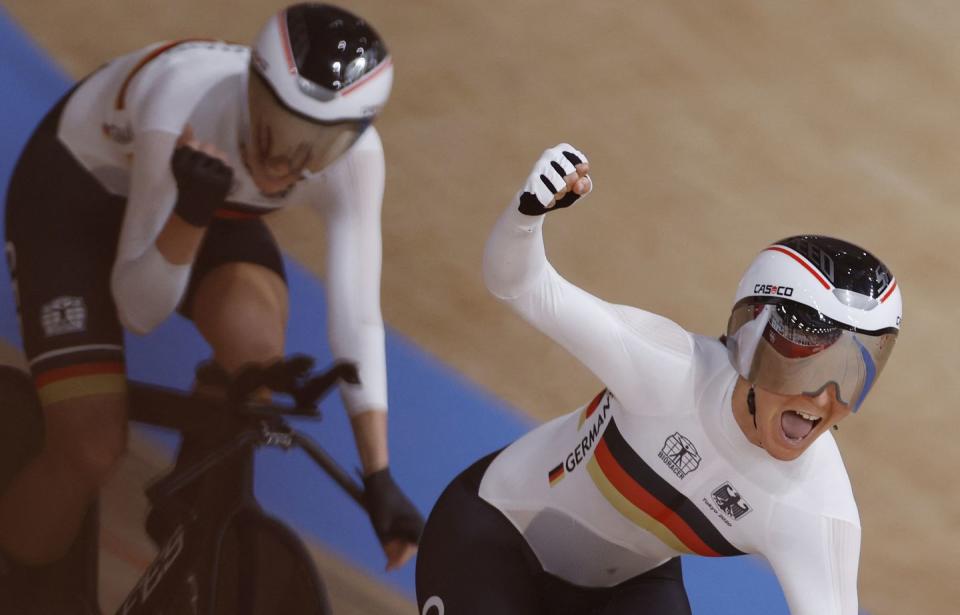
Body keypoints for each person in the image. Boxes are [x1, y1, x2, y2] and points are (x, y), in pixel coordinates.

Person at [0, 2, 422, 607]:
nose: (282, 163)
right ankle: (15, 575)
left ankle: (190, 493)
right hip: (76, 196)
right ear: (251, 93)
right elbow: (136, 308)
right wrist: (192, 214)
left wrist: (378, 474)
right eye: (277, 128)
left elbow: (357, 316)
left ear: (352, 138)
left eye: (314, 148)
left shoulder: (360, 159)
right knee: (89, 447)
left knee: (256, 355)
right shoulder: (182, 103)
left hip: (201, 197)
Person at [415, 144, 901, 615]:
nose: (822, 398)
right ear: (750, 342)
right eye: (807, 367)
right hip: (494, 537)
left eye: (848, 375)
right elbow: (521, 286)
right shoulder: (669, 369)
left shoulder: (820, 508)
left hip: (627, 589)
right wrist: (526, 218)